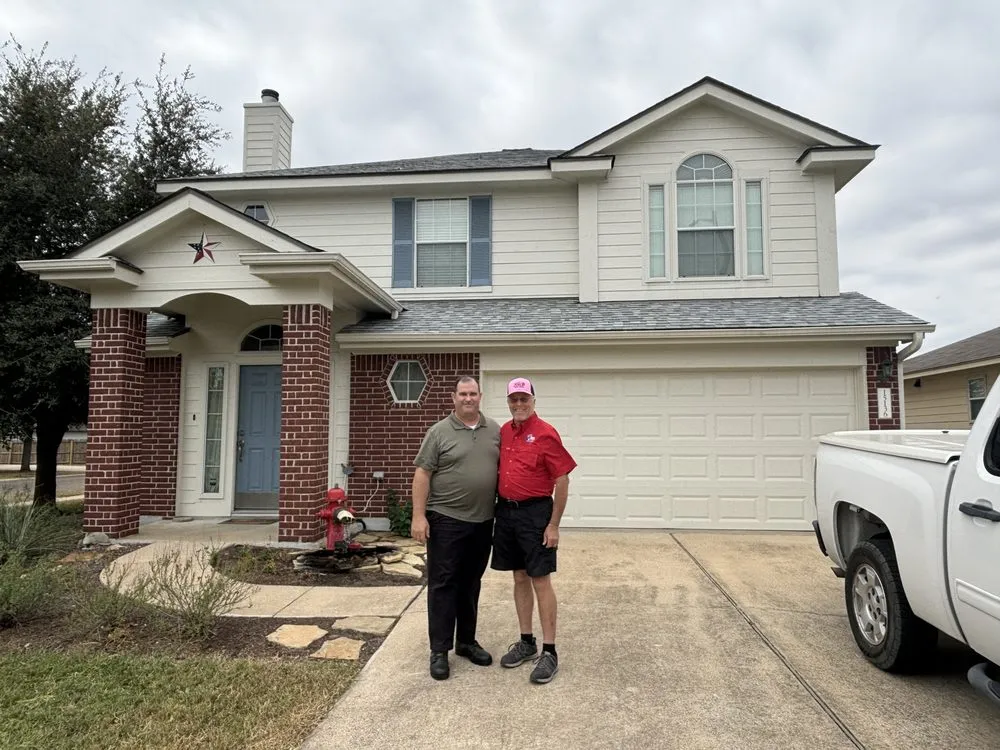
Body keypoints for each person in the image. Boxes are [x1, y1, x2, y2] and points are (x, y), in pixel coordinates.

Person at [411, 375, 501, 681]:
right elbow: (422, 474)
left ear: (480, 396)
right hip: (446, 519)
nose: (468, 398)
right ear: (454, 397)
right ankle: (439, 650)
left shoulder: (495, 431)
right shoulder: (439, 432)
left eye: (473, 393)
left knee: (470, 583)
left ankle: (465, 642)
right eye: (463, 393)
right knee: (443, 583)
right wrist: (418, 516)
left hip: (483, 521)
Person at [491, 376, 577, 684]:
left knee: (540, 579)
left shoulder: (545, 433)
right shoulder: (503, 432)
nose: (518, 404)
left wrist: (553, 524)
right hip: (507, 513)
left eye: (523, 399)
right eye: (513, 399)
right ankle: (526, 642)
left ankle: (549, 651)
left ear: (533, 401)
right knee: (518, 576)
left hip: (536, 514)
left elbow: (563, 480)